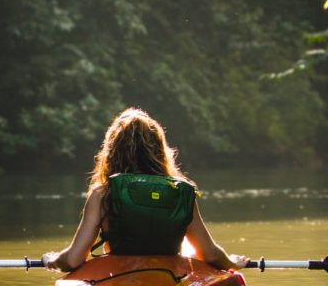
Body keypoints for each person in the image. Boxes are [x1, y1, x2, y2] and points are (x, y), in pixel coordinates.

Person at [43, 107, 248, 272]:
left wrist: (52, 259)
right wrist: (231, 263)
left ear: (112, 151)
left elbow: (73, 260)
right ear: (159, 150)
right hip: (169, 279)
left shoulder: (103, 194)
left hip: (118, 277)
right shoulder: (180, 193)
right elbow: (210, 254)